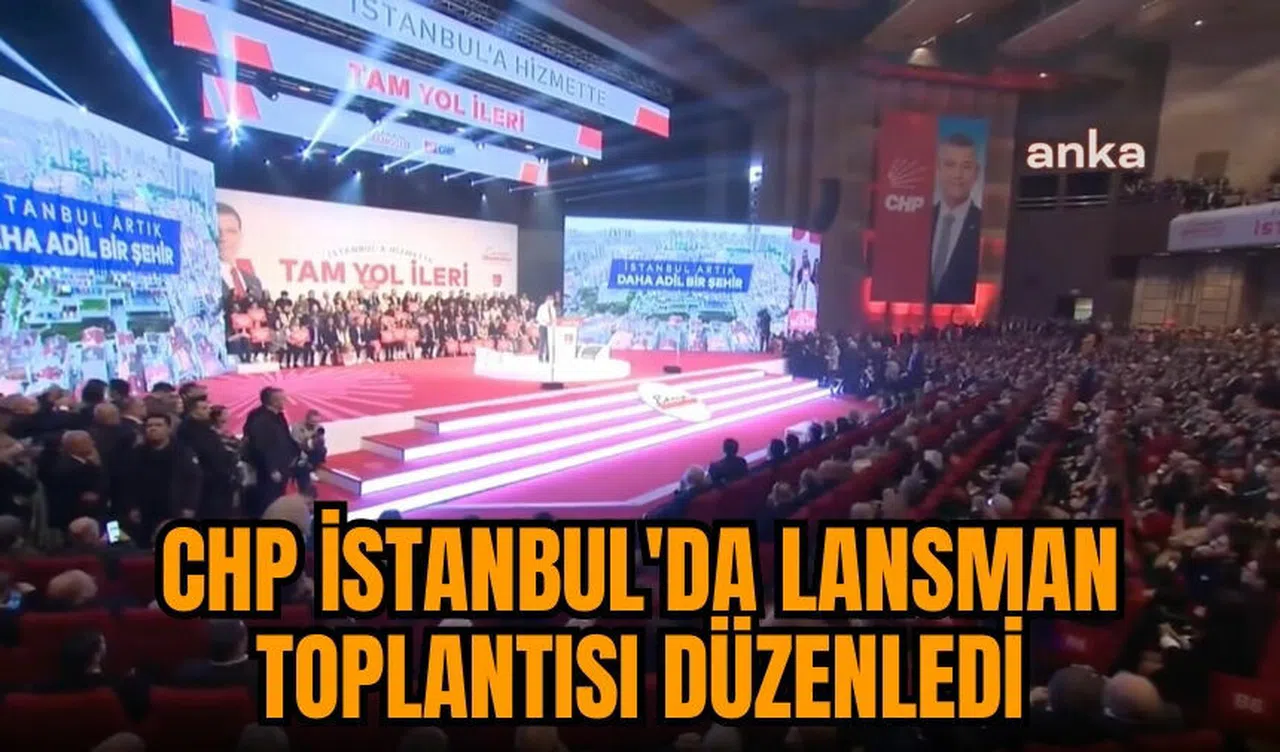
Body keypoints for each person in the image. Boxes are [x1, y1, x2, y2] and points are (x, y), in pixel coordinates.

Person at [929, 132, 984, 305]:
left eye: (966, 166)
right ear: (938, 170)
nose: (957, 174)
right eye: (950, 165)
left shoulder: (983, 224)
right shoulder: (920, 220)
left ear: (976, 173)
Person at [242, 387, 298, 516]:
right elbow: (261, 446)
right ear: (274, 401)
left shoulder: (278, 415)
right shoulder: (260, 419)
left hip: (282, 465)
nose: (285, 401)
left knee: (278, 496)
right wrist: (272, 469)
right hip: (270, 469)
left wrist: (296, 452)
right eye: (282, 399)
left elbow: (286, 436)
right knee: (268, 498)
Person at [217, 202, 264, 301]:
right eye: (217, 231)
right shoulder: (201, 282)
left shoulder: (254, 282)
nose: (223, 237)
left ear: (240, 236)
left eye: (231, 231)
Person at [535, 293, 557, 363]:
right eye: (551, 301)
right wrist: (545, 321)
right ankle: (540, 357)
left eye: (553, 301)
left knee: (549, 342)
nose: (552, 302)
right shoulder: (542, 307)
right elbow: (538, 317)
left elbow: (554, 318)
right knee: (542, 341)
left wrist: (553, 323)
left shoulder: (553, 309)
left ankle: (548, 357)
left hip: (550, 328)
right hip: (543, 326)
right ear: (548, 300)